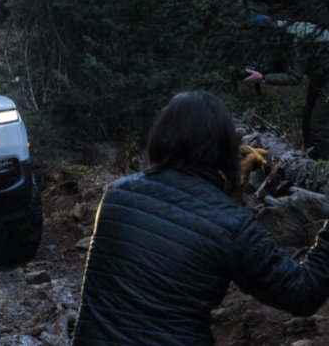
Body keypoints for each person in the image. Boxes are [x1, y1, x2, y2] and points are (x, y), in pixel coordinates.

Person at [72, 90, 329, 345]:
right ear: (224, 148)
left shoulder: (117, 195)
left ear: (161, 136)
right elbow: (304, 294)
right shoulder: (231, 224)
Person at [244, 17, 329, 159]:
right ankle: (309, 164)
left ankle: (324, 169)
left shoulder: (296, 39)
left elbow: (295, 77)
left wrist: (264, 78)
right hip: (321, 77)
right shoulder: (283, 33)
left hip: (326, 80)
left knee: (318, 126)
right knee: (307, 124)